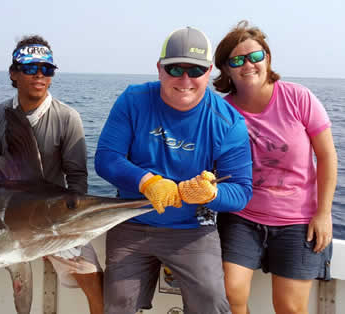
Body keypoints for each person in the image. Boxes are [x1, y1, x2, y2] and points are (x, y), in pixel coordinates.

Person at [0, 35, 104, 314]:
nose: (39, 75)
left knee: (92, 276)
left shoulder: (67, 117)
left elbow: (77, 178)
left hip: (52, 221)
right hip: (2, 221)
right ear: (14, 73)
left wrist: (71, 232)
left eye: (46, 69)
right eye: (30, 68)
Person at [95, 26, 253, 314]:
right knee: (117, 302)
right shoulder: (133, 100)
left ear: (209, 73)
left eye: (195, 70)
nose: (184, 79)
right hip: (133, 219)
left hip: (193, 228)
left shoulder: (229, 122)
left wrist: (209, 194)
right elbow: (106, 158)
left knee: (212, 300)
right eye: (174, 68)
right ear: (159, 69)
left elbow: (241, 190)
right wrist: (147, 181)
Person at [213, 20, 337, 314]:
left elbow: (328, 156)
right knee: (230, 294)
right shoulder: (222, 110)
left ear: (267, 58)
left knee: (290, 307)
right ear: (226, 68)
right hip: (242, 217)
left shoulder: (298, 98)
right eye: (237, 60)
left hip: (298, 220)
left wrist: (324, 213)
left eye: (255, 56)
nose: (248, 65)